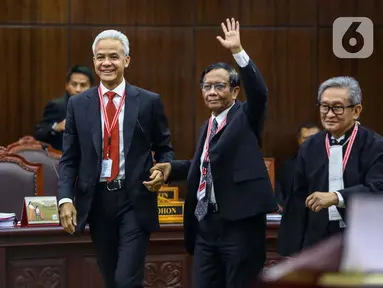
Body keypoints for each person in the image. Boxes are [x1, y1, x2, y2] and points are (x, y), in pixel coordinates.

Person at [150, 18, 278, 288]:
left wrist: (237, 52)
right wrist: (171, 168)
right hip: (206, 224)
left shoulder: (245, 116)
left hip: (240, 224)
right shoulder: (207, 125)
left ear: (235, 91)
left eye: (219, 86)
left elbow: (260, 93)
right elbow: (204, 165)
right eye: (207, 87)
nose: (212, 92)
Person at [57, 29, 174, 288]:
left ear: (127, 60)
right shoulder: (78, 104)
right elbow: (69, 158)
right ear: (94, 61)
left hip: (134, 198)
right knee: (112, 278)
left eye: (114, 56)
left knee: (125, 280)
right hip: (97, 201)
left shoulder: (148, 101)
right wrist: (65, 198)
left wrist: (163, 171)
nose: (106, 63)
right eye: (100, 57)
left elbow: (165, 149)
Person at [277, 76, 383, 257]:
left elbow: (378, 189)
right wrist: (291, 250)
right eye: (324, 106)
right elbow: (297, 199)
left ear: (356, 110)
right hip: (317, 240)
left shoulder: (375, 145)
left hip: (361, 237)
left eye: (338, 107)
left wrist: (337, 197)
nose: (329, 114)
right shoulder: (310, 146)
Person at [35, 65, 94, 150]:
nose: (78, 89)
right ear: (67, 85)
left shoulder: (96, 107)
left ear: (90, 88)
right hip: (61, 158)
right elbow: (39, 133)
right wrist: (56, 127)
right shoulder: (57, 106)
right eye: (74, 84)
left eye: (83, 85)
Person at [275, 123, 320, 208]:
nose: (310, 142)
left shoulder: (331, 162)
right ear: (299, 141)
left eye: (314, 138)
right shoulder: (288, 167)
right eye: (306, 139)